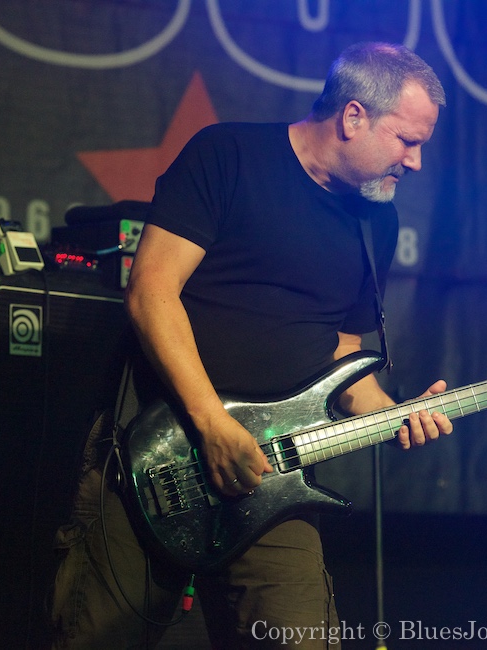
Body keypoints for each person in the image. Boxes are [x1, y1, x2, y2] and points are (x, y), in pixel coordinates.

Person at [50, 42, 452, 649]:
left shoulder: (378, 220)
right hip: (157, 455)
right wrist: (212, 425)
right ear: (352, 117)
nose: (416, 162)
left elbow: (341, 349)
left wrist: (390, 414)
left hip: (273, 477)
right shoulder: (228, 155)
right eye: (406, 140)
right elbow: (152, 291)